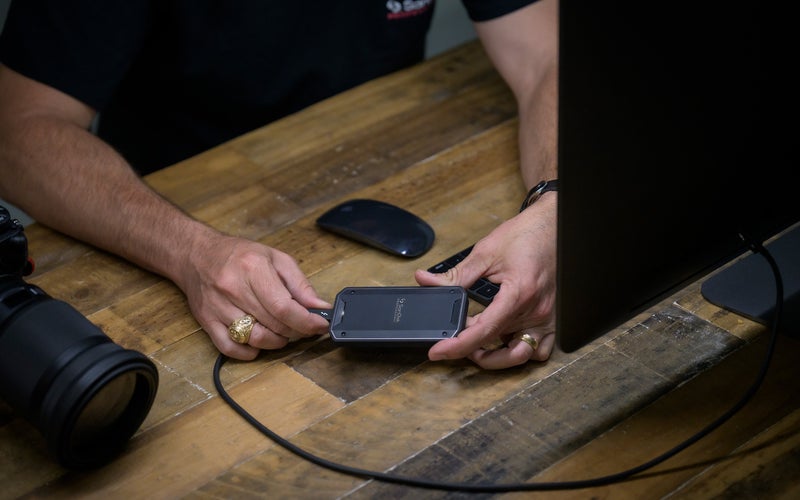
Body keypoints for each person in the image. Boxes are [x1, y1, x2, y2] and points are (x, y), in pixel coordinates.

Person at [0, 0, 558, 370]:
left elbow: (548, 51)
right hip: (175, 207)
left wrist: (555, 207)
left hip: (395, 150)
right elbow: (17, 133)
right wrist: (190, 252)